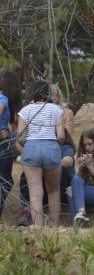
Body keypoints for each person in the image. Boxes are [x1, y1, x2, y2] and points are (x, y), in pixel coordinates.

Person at [16, 80, 64, 227]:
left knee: (35, 194)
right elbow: (61, 136)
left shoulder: (25, 110)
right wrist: (56, 146)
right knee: (54, 190)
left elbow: (19, 136)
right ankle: (54, 227)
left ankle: (38, 229)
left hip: (31, 149)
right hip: (51, 148)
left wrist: (30, 144)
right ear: (48, 93)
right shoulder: (56, 110)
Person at [0, 69, 22, 217]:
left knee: (6, 181)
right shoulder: (2, 99)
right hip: (2, 144)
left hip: (4, 143)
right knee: (6, 182)